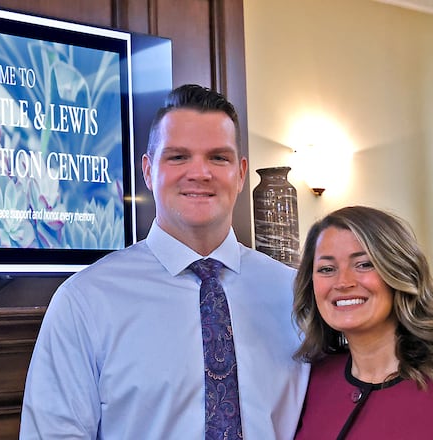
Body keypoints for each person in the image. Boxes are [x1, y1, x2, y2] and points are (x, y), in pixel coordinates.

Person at [19, 84, 310, 440]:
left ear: (240, 172)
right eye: (178, 157)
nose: (200, 173)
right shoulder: (85, 301)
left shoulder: (293, 294)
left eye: (218, 157)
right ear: (147, 170)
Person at [292, 206, 433, 440]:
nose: (343, 282)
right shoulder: (308, 384)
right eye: (327, 269)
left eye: (364, 264)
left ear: (399, 272)